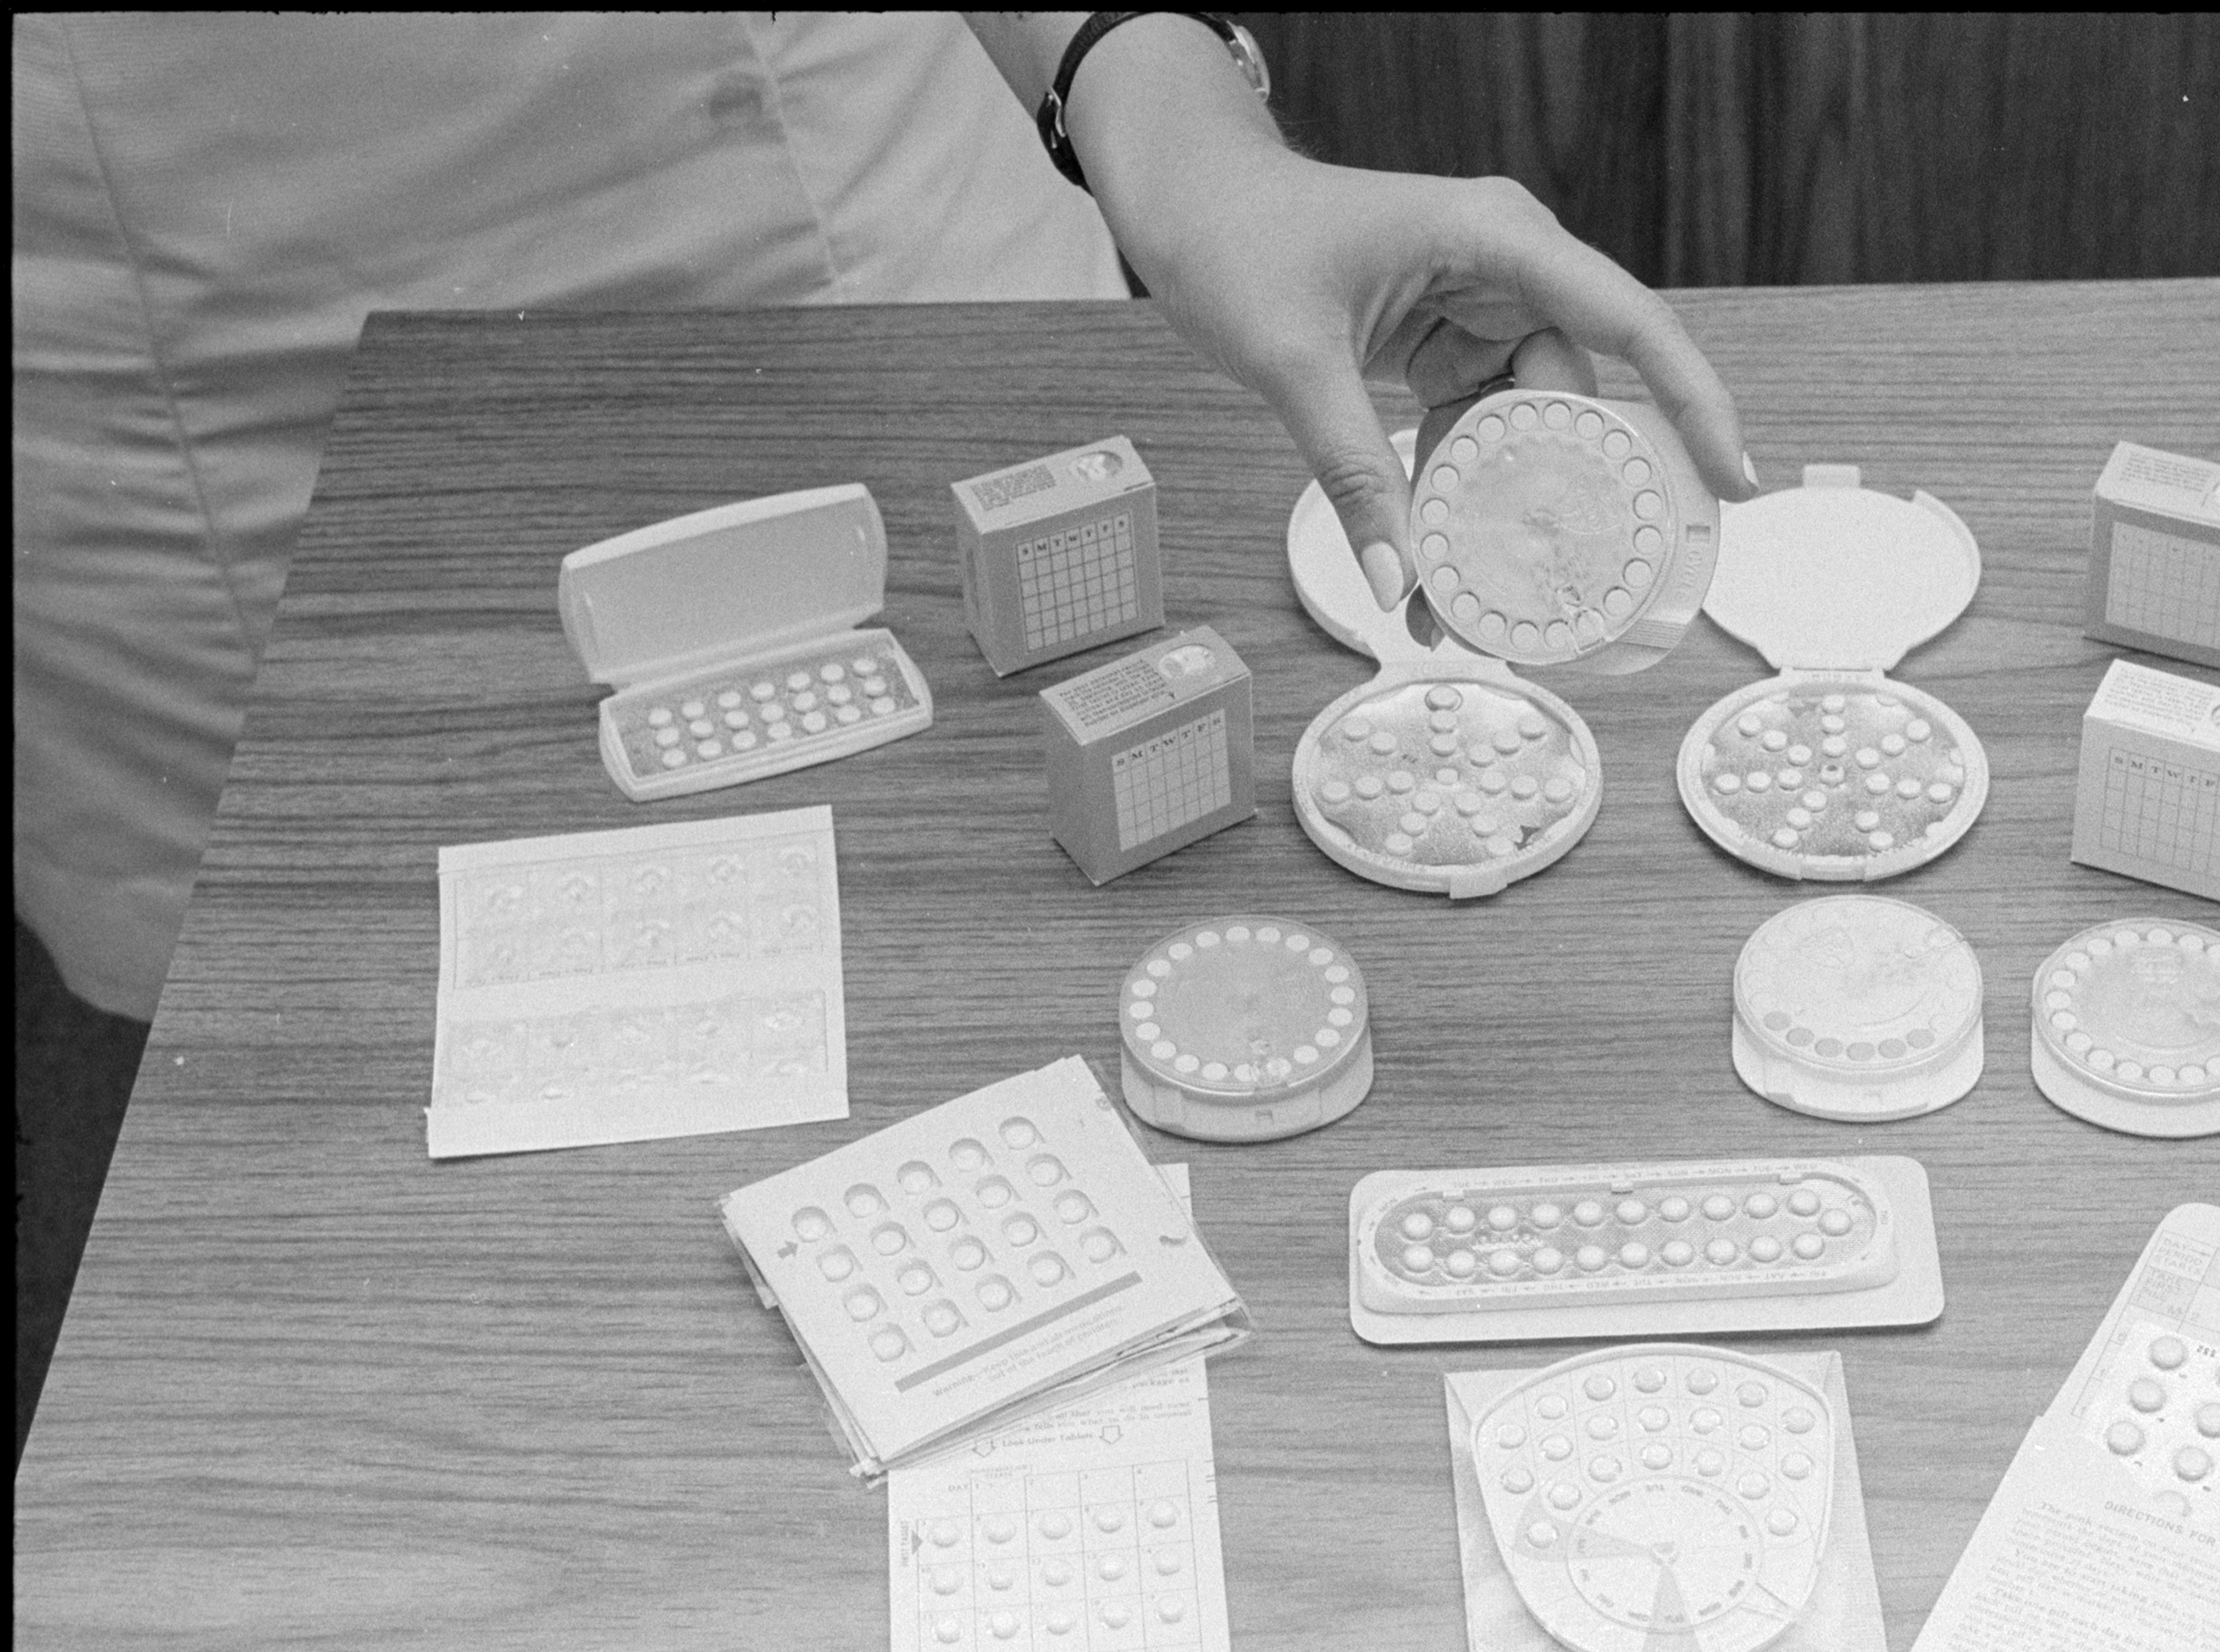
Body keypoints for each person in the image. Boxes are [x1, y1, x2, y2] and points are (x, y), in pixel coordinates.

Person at [9, 11, 1754, 1458]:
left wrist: (1165, 112)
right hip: (210, 396)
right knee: (363, 1233)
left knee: (951, 1011)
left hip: (874, 250)